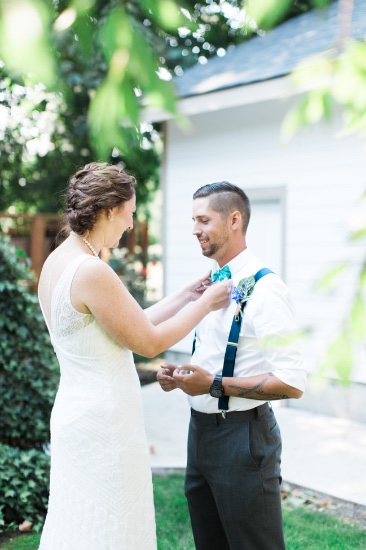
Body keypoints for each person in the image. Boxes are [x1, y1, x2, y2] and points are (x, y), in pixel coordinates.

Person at [37, 163, 232, 550]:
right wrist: (207, 305)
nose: (130, 223)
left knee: (80, 526)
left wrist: (186, 295)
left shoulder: (58, 261)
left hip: (76, 413)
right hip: (104, 422)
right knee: (114, 530)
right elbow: (148, 342)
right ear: (110, 209)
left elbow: (127, 325)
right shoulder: (91, 270)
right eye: (129, 213)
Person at [157, 182, 307, 550]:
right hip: (200, 434)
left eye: (203, 220)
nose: (194, 230)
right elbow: (213, 355)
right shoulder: (211, 285)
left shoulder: (267, 289)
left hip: (243, 438)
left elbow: (292, 381)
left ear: (234, 220)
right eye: (193, 220)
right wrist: (181, 377)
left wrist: (214, 384)